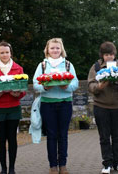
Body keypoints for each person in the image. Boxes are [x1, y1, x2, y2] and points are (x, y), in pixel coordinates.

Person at [33, 38, 78, 174]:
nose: (55, 50)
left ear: (61, 49)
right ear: (47, 50)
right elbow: (35, 84)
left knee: (63, 135)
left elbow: (75, 84)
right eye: (52, 48)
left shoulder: (69, 65)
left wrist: (67, 86)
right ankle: (53, 166)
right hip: (47, 104)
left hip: (65, 103)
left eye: (57, 48)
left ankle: (63, 165)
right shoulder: (42, 66)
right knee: (52, 135)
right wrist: (45, 88)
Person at [87, 41, 118, 174]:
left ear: (114, 54)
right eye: (106, 55)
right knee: (104, 137)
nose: (109, 57)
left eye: (111, 54)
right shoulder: (96, 67)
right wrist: (99, 87)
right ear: (102, 55)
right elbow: (90, 85)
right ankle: (107, 164)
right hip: (101, 106)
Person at [0, 41, 26, 174]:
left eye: (7, 52)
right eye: (2, 52)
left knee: (12, 138)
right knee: (1, 139)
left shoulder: (18, 69)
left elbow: (23, 89)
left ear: (10, 53)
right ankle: (3, 168)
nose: (5, 54)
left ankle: (12, 168)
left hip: (13, 107)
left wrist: (18, 94)